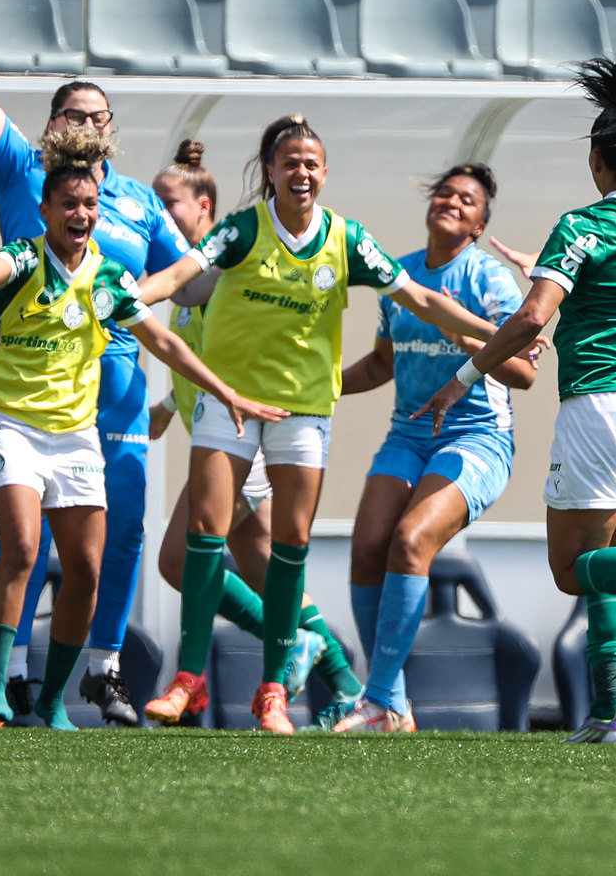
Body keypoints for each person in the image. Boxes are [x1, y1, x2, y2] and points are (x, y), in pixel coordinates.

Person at [415, 0, 616, 747]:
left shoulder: (583, 225)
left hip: (600, 407)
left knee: (574, 568)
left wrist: (462, 376)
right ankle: (610, 716)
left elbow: (531, 320)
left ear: (597, 162)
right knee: (608, 565)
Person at [135, 114, 505, 734]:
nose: (301, 172)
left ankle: (277, 690)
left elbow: (418, 298)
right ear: (271, 173)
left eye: (311, 163)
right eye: (289, 163)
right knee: (202, 534)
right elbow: (178, 279)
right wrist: (123, 297)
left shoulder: (347, 239)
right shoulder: (241, 232)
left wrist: (498, 334)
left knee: (289, 547)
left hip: (303, 410)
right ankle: (187, 680)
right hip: (229, 404)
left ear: (324, 173)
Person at [0, 131, 282, 728]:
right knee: (21, 548)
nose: (81, 214)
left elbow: (164, 340)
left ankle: (52, 702)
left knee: (87, 570)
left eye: (90, 204)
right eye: (68, 204)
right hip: (12, 425)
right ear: (44, 210)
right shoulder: (24, 256)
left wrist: (226, 392)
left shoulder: (110, 279)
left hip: (75, 436)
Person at [0, 0, 191, 725]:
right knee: (25, 540)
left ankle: (103, 668)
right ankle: (13, 674)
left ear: (113, 130)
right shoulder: (24, 169)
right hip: (30, 374)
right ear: (53, 124)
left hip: (113, 380)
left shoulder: (135, 201)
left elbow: (181, 283)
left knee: (116, 532)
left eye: (99, 116)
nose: (87, 126)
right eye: (73, 114)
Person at [331, 163, 536, 733]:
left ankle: (377, 700)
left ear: (479, 225)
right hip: (408, 433)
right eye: (444, 193)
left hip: (478, 437)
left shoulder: (490, 280)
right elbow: (380, 365)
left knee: (409, 540)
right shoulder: (399, 275)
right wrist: (316, 387)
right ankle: (389, 701)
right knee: (368, 545)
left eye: (466, 200)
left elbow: (524, 372)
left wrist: (466, 335)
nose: (450, 201)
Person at [147, 142, 336, 712]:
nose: (159, 214)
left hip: (244, 434)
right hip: (224, 427)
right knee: (258, 570)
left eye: (168, 202)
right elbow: (199, 360)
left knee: (191, 562)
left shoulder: (218, 266)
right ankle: (347, 685)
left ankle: (308, 668)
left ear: (203, 204)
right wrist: (167, 407)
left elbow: (231, 356)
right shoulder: (191, 277)